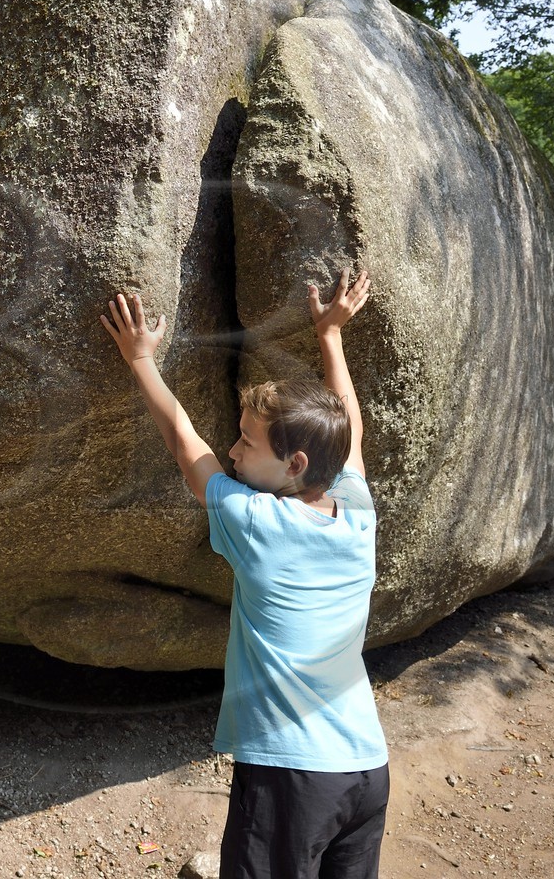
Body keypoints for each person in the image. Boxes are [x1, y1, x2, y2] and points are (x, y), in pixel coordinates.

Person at [100, 269, 389, 879]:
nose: (232, 451)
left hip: (294, 773)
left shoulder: (259, 526)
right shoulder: (357, 514)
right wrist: (331, 337)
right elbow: (351, 432)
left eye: (247, 443)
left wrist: (140, 359)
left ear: (296, 464)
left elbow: (186, 446)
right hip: (367, 768)